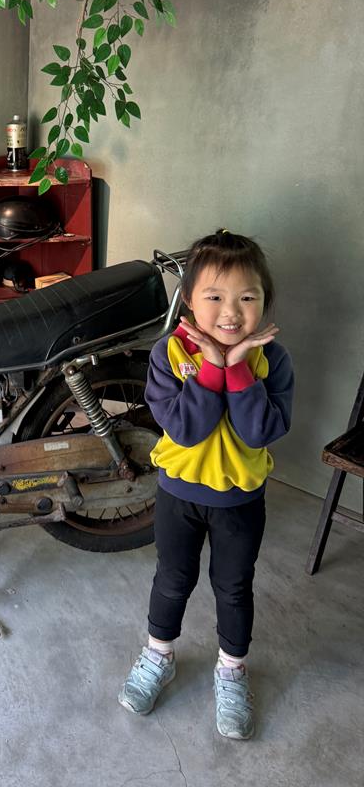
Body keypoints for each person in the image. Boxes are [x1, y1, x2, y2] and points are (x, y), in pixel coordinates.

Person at [118, 229, 294, 739]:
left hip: (240, 501)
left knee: (233, 586)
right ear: (190, 303)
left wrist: (238, 371)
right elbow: (186, 429)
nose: (231, 313)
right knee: (172, 579)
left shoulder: (273, 360)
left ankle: (232, 670)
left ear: (263, 302)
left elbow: (260, 431)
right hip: (179, 495)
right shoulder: (169, 354)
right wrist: (213, 369)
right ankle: (159, 655)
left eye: (247, 298)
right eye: (214, 297)